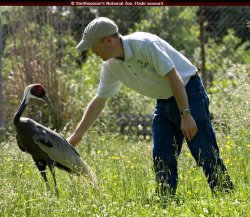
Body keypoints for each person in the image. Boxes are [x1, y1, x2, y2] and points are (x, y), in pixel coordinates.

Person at [68, 17, 233, 197]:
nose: (92, 51)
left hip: (188, 93)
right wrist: (77, 136)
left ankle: (226, 197)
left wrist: (186, 115)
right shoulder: (110, 66)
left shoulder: (144, 44)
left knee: (204, 151)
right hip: (163, 101)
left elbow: (173, 76)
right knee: (161, 156)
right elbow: (100, 100)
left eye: (93, 46)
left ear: (108, 40)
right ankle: (165, 202)